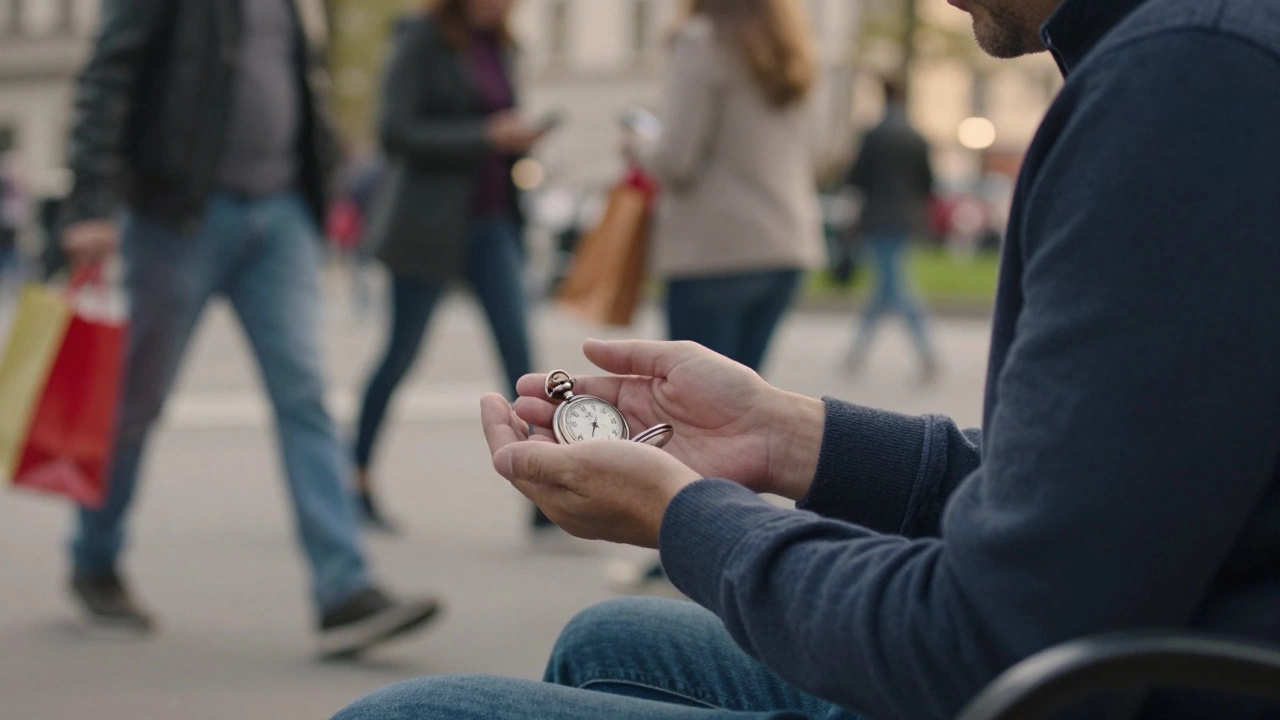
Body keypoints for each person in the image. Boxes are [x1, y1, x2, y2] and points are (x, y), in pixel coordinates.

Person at [334, 0, 1280, 716]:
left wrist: (688, 519)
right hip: (777, 247)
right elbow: (1099, 491)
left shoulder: (1186, 83)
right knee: (606, 637)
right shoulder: (1194, 54)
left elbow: (988, 640)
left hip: (1124, 685)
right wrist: (784, 437)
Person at [59, 0, 439, 658]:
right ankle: (95, 557)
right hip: (178, 218)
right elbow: (107, 77)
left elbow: (300, 80)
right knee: (135, 403)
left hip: (281, 215)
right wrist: (90, 201)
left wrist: (324, 190)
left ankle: (343, 589)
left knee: (306, 398)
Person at [354, 0, 550, 532]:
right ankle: (355, 475)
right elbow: (396, 132)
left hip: (493, 224)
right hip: (428, 226)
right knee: (400, 355)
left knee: (523, 365)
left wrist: (519, 138)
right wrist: (485, 136)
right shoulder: (419, 36)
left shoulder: (503, 45)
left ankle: (546, 492)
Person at [631, 0, 826, 374]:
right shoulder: (790, 48)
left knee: (696, 403)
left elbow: (676, 160)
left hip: (715, 249)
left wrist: (637, 145)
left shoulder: (701, 39)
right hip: (784, 245)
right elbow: (813, 152)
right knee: (743, 403)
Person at [843, 76, 939, 379]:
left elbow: (856, 178)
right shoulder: (916, 136)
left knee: (894, 289)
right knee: (885, 288)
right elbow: (928, 183)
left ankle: (925, 353)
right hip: (908, 219)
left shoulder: (873, 135)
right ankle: (856, 353)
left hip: (879, 219)